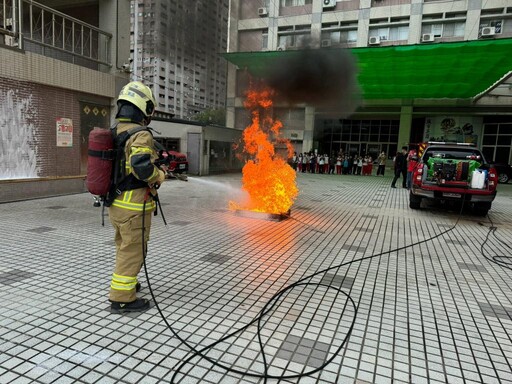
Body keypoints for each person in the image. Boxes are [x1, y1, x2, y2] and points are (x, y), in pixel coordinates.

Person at [108, 81, 166, 314]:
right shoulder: (140, 134)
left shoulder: (116, 131)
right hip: (133, 206)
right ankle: (122, 298)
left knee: (124, 246)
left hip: (116, 204)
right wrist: (159, 175)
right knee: (133, 250)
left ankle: (128, 282)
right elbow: (141, 168)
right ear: (143, 107)